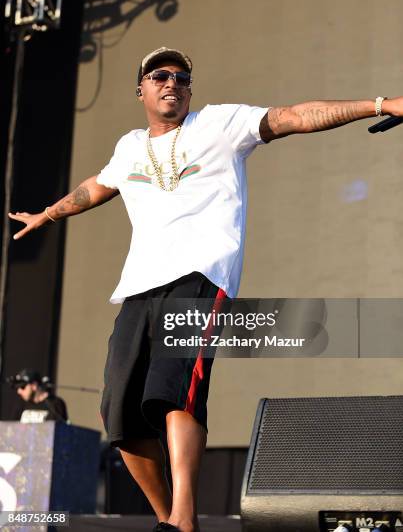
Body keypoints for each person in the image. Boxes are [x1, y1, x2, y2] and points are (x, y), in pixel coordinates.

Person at [8, 46, 403, 532]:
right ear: (142, 89)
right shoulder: (129, 145)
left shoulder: (219, 124)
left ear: (189, 90)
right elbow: (96, 187)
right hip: (139, 286)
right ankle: (166, 519)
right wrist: (47, 213)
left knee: (173, 393)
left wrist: (381, 103)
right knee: (121, 415)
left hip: (201, 274)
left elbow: (296, 116)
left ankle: (184, 517)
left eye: (181, 76)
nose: (171, 82)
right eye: (160, 75)